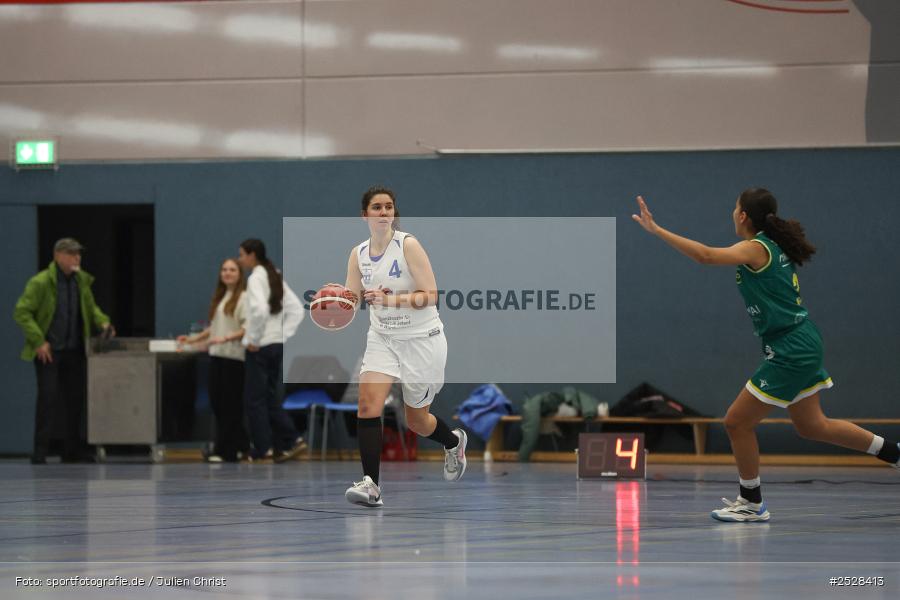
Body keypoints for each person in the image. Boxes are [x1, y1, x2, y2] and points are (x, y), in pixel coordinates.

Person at [632, 189, 900, 522]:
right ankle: (894, 453)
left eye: (734, 208)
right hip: (802, 340)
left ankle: (751, 502)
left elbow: (705, 256)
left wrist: (657, 231)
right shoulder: (771, 246)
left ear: (743, 215)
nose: (732, 213)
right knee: (813, 426)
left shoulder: (755, 247)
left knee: (736, 421)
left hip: (791, 347)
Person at [341, 186, 466, 508]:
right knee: (368, 404)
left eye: (388, 207)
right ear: (364, 215)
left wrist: (390, 299)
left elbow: (431, 294)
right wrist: (335, 302)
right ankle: (371, 485)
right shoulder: (358, 254)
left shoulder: (408, 245)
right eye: (376, 207)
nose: (383, 212)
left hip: (421, 339)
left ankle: (453, 443)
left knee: (417, 421)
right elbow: (353, 300)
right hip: (382, 337)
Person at [13, 238, 114, 464]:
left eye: (78, 254)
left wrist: (104, 322)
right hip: (50, 351)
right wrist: (39, 340)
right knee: (47, 399)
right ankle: (40, 451)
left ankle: (71, 450)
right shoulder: (40, 282)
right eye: (71, 254)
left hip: (74, 349)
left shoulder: (81, 282)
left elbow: (92, 309)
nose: (77, 258)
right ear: (58, 256)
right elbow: (22, 312)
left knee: (75, 400)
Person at [237, 239, 306, 462]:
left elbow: (259, 310)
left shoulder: (257, 277)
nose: (240, 260)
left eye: (242, 255)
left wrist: (254, 338)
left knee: (254, 400)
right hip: (276, 345)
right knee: (268, 397)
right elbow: (296, 309)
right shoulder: (274, 273)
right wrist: (282, 336)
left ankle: (263, 448)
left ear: (252, 255)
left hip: (261, 346)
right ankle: (291, 439)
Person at [178, 258, 250, 463]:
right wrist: (193, 338)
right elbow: (215, 327)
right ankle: (241, 445)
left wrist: (226, 338)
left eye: (232, 270)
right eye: (224, 270)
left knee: (230, 406)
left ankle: (227, 451)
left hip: (234, 357)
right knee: (218, 404)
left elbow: (247, 328)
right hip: (217, 355)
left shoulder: (244, 298)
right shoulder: (222, 297)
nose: (227, 273)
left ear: (239, 274)